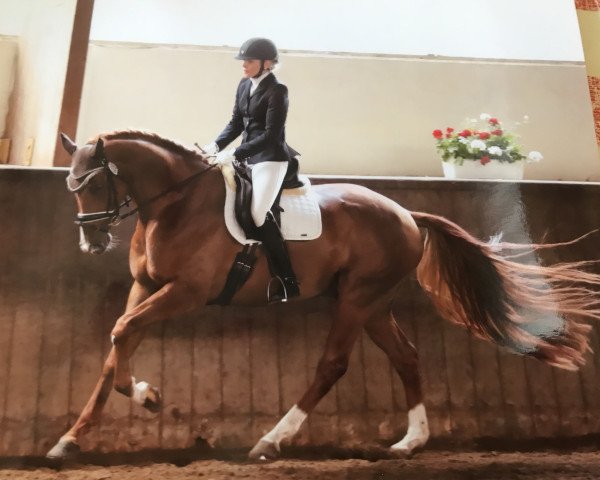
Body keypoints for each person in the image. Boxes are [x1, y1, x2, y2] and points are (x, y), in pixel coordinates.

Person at [202, 37, 300, 302]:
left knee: (258, 214)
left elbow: (270, 135)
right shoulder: (244, 84)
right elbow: (236, 123)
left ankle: (288, 279)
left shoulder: (278, 91)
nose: (244, 65)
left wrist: (234, 152)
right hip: (246, 157)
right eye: (243, 61)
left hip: (270, 158)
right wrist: (213, 146)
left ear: (266, 64)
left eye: (249, 61)